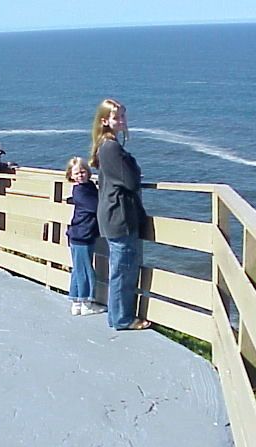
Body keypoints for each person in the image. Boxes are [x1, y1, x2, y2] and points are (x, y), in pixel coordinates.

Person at [90, 99, 150, 330]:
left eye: (123, 115)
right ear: (105, 121)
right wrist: (133, 165)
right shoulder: (111, 148)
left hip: (113, 214)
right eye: (117, 117)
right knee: (123, 270)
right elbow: (131, 181)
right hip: (119, 216)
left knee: (121, 267)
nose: (122, 120)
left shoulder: (106, 146)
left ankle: (117, 316)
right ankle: (122, 319)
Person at [65, 156, 106, 316]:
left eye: (83, 172)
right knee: (85, 270)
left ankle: (76, 302)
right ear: (71, 175)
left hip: (80, 234)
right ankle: (87, 303)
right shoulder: (80, 191)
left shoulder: (88, 187)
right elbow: (96, 206)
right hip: (82, 235)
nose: (80, 175)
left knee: (78, 269)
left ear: (88, 172)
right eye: (76, 173)